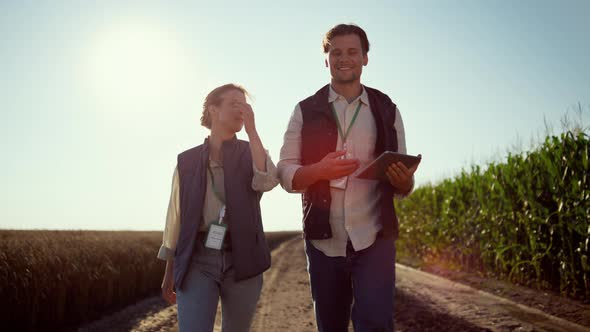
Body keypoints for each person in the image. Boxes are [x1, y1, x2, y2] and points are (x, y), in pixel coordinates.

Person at [277, 24, 419, 331]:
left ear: (365, 58)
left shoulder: (387, 109)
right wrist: (319, 171)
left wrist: (403, 181)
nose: (344, 58)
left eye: (352, 52)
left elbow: (404, 183)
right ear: (325, 60)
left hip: (375, 237)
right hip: (324, 241)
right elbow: (285, 173)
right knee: (331, 326)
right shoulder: (304, 110)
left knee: (376, 324)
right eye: (335, 52)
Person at [157, 83, 279, 332]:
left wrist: (252, 130)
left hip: (243, 259)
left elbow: (267, 181)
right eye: (234, 103)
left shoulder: (251, 151)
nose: (242, 110)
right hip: (197, 260)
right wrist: (170, 270)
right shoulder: (187, 161)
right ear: (213, 110)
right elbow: (176, 217)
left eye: (245, 105)